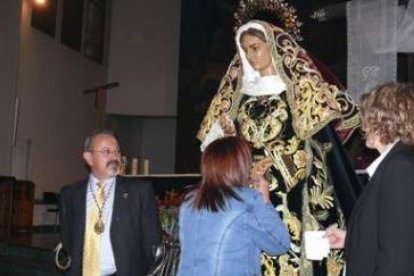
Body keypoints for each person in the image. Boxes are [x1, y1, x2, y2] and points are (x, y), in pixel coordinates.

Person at [197, 19, 361, 275]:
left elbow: (318, 146)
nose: (251, 56)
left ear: (273, 46)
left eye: (256, 47)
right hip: (247, 192)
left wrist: (280, 165)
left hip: (294, 191)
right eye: (246, 50)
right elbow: (218, 146)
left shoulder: (299, 94)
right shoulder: (238, 99)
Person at [325, 82, 414, 275]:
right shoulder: (395, 164)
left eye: (367, 115)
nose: (363, 124)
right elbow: (387, 232)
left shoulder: (400, 168)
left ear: (383, 119)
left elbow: (398, 258)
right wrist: (349, 239)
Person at [178, 136, 290, 276]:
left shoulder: (190, 201)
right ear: (242, 166)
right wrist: (264, 200)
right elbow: (280, 244)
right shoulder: (246, 201)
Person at [58, 130, 162, 276]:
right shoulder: (70, 194)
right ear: (89, 158)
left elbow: (152, 242)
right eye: (106, 151)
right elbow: (67, 239)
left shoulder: (139, 192)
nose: (114, 157)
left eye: (117, 151)